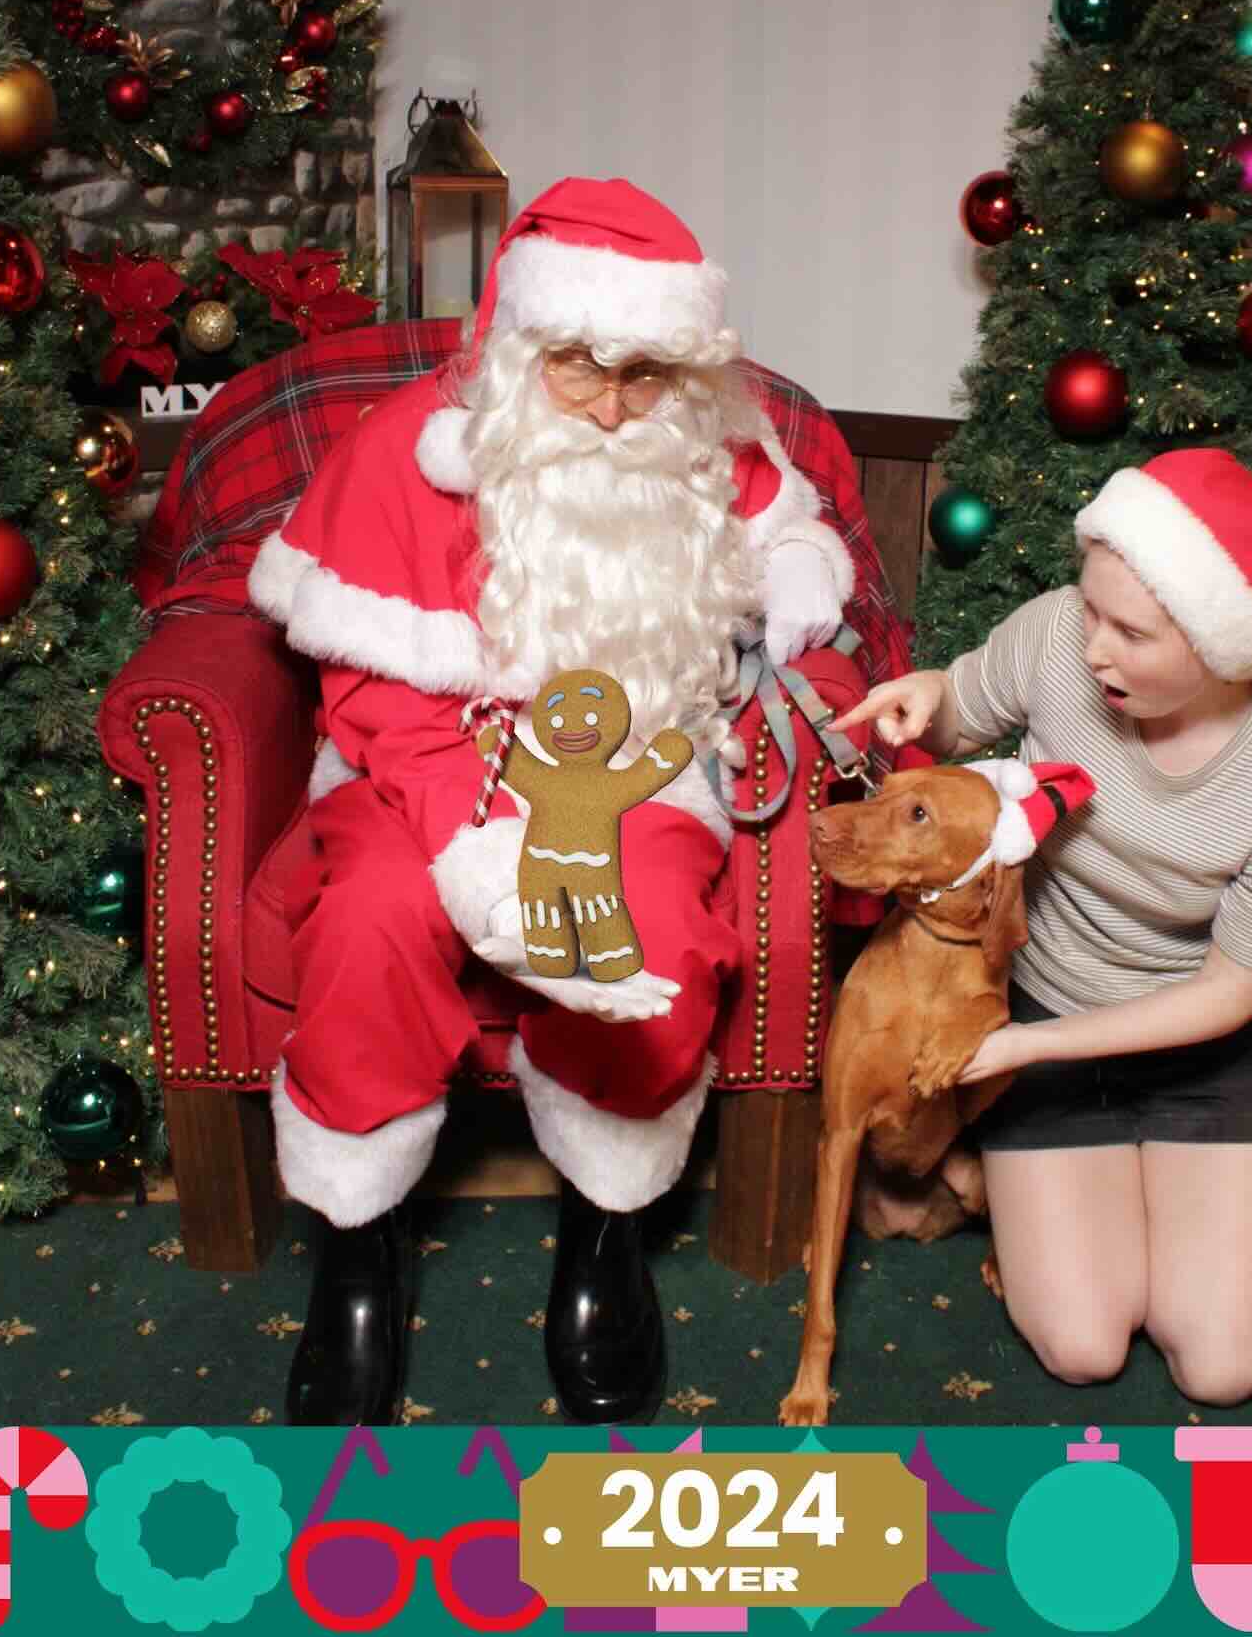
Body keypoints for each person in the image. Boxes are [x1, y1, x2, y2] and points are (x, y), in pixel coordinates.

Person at [247, 177, 859, 1426]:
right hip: (421, 760)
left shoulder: (696, 443)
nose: (614, 408)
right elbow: (372, 696)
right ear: (521, 344)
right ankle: (357, 1257)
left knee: (651, 924)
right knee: (369, 916)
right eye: (582, 369)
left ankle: (606, 1228)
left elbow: (783, 524)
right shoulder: (407, 453)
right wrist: (479, 853)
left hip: (637, 760)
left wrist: (795, 568)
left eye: (647, 375)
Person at [832, 448, 1252, 1406]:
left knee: (1222, 1367)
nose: (1096, 648)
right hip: (1044, 1006)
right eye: (1091, 610)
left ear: (1221, 645)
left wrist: (1022, 1049)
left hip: (1204, 1047)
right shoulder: (1054, 640)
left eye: (1135, 632)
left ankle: (1160, 1199)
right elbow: (957, 723)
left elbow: (1233, 992)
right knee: (1084, 1346)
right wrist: (932, 698)